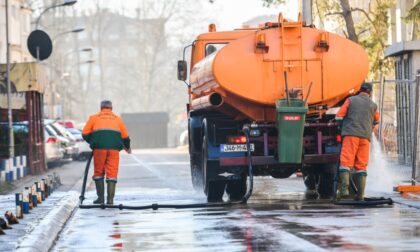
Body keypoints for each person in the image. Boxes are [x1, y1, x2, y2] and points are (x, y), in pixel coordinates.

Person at [335, 83, 379, 201]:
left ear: (360, 90)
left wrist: (340, 127)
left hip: (350, 135)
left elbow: (339, 116)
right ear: (369, 92)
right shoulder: (373, 105)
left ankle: (344, 190)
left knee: (346, 162)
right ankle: (360, 196)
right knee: (361, 166)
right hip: (365, 137)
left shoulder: (351, 100)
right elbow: (376, 121)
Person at [82, 100, 131, 205]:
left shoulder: (93, 118)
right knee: (112, 173)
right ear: (111, 108)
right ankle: (110, 200)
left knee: (99, 172)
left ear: (101, 107)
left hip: (99, 149)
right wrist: (127, 147)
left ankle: (100, 198)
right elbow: (125, 136)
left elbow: (85, 133)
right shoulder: (118, 119)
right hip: (114, 150)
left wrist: (94, 142)